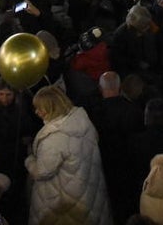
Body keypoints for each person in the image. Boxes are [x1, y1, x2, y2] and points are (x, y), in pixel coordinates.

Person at [26, 85, 112, 225]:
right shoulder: (82, 121)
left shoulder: (55, 138)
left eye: (40, 108)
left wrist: (29, 160)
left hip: (63, 200)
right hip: (87, 193)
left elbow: (43, 171)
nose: (37, 112)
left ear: (51, 108)